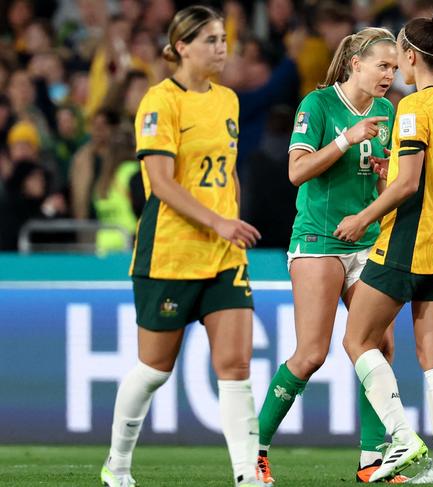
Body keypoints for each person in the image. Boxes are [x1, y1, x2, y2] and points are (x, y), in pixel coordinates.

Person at [100, 6, 263, 487]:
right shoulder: (159, 102)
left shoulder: (229, 100)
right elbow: (161, 183)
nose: (222, 48)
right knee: (154, 369)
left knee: (235, 365)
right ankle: (118, 464)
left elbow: (227, 169)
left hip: (223, 255)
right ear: (182, 46)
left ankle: (247, 475)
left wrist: (229, 219)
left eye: (224, 39)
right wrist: (218, 220)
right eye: (211, 40)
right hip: (171, 252)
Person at [334, 11, 433, 484]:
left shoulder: (414, 108)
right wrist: (392, 170)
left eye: (400, 56)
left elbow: (409, 185)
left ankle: (401, 436)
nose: (397, 65)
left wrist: (361, 218)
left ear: (413, 57)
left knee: (357, 339)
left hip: (409, 241)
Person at [255, 27, 403, 485]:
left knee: (380, 346)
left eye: (395, 68)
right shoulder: (317, 105)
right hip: (320, 241)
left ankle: (372, 460)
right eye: (383, 66)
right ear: (355, 64)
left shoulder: (387, 110)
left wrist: (382, 173)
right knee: (312, 354)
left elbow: (382, 186)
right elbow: (296, 171)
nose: (389, 76)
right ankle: (253, 448)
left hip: (367, 240)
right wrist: (345, 140)